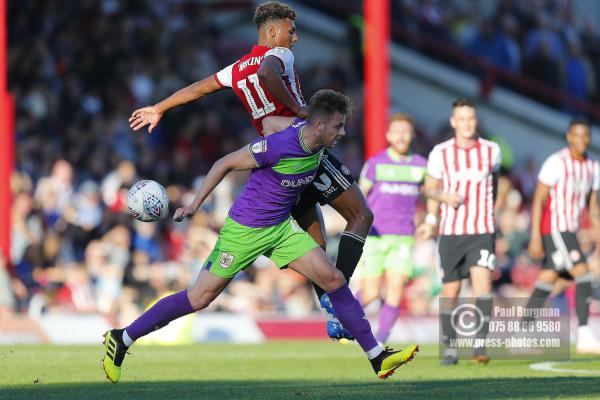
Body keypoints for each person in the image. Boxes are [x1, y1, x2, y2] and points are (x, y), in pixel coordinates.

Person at [102, 90, 418, 383]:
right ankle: (123, 337)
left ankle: (377, 356)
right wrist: (195, 204)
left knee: (333, 278)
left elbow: (270, 120)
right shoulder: (280, 146)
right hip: (244, 231)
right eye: (338, 126)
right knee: (200, 297)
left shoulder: (315, 141)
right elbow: (224, 162)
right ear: (319, 125)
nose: (343, 133)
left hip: (281, 229)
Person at [128, 1, 372, 340]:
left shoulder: (236, 68)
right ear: (273, 32)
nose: (295, 38)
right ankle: (338, 306)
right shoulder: (279, 55)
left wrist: (160, 107)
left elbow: (198, 89)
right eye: (291, 30)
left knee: (314, 236)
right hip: (300, 149)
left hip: (274, 164)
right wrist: (301, 108)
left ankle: (332, 310)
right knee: (361, 216)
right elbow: (267, 73)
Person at [357, 113, 460, 344]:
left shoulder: (421, 165)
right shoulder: (376, 163)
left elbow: (430, 191)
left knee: (396, 288)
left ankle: (380, 340)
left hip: (403, 236)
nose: (402, 136)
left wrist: (439, 207)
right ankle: (341, 315)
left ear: (412, 135)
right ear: (389, 135)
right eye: (397, 131)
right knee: (371, 293)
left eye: (406, 131)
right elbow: (359, 195)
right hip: (375, 236)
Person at [418, 99, 501, 365]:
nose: (467, 124)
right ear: (453, 122)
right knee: (451, 291)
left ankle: (480, 344)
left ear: (476, 121)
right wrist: (441, 200)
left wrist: (489, 210)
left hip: (482, 229)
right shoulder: (440, 153)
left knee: (483, 284)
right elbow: (428, 188)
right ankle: (450, 345)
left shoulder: (492, 151)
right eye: (461, 119)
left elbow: (495, 183)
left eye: (471, 119)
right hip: (451, 231)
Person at [526, 117, 600, 355]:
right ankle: (584, 334)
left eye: (585, 135)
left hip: (572, 230)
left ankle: (522, 333)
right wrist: (535, 236)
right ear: (569, 137)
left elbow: (592, 207)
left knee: (547, 279)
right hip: (555, 227)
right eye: (576, 135)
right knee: (583, 273)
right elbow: (538, 199)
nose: (581, 140)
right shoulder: (556, 162)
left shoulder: (593, 167)